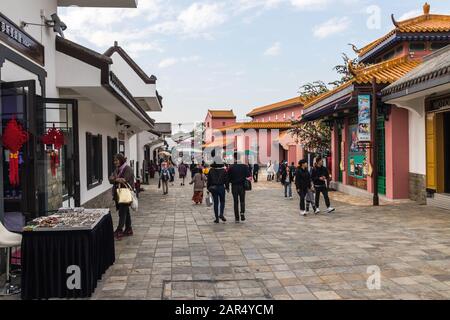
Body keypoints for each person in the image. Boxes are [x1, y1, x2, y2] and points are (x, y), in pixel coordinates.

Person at [109, 154, 135, 240]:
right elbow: (110, 179)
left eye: (116, 160)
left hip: (125, 194)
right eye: (114, 160)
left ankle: (119, 230)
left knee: (122, 212)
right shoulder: (117, 169)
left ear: (121, 160)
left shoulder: (128, 169)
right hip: (119, 194)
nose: (115, 162)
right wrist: (116, 179)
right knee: (126, 212)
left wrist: (115, 179)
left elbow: (124, 179)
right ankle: (128, 229)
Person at [227, 158, 251, 223]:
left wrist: (227, 186)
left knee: (235, 202)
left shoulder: (231, 167)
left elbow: (228, 177)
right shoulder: (244, 166)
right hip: (242, 186)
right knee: (242, 200)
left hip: (234, 186)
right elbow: (248, 175)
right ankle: (242, 213)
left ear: (234, 158)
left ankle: (237, 218)